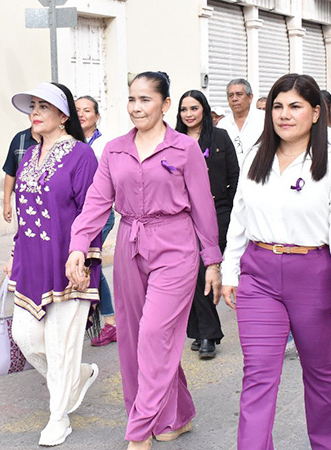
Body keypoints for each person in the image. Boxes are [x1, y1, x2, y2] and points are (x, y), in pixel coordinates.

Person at [66, 71, 222, 450]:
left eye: (146, 99)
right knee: (135, 339)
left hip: (175, 245)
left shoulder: (184, 148)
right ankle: (176, 415)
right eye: (132, 99)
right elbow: (96, 202)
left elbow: (203, 207)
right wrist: (78, 245)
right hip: (129, 244)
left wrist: (213, 261)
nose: (137, 107)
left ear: (165, 104)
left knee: (155, 334)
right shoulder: (115, 150)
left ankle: (139, 429)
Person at [220, 73, 331, 450]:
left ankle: (327, 445)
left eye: (295, 106)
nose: (284, 114)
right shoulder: (255, 158)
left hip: (313, 275)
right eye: (278, 106)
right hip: (258, 275)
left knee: (319, 371)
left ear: (316, 113)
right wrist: (229, 270)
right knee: (258, 375)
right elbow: (239, 218)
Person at [6, 82, 101, 447]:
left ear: (63, 116)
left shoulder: (81, 155)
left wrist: (84, 256)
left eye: (43, 106)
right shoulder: (28, 155)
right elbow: (24, 212)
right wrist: (14, 254)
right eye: (33, 105)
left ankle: (58, 417)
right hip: (31, 262)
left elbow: (93, 211)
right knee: (26, 337)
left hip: (69, 262)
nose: (35, 112)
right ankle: (77, 375)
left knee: (60, 345)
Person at [174, 90, 239, 360]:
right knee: (188, 274)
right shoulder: (174, 141)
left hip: (217, 213)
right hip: (184, 216)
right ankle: (199, 331)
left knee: (203, 270)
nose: (189, 114)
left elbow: (235, 176)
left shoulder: (220, 137)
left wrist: (233, 214)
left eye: (194, 108)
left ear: (204, 110)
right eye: (184, 109)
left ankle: (208, 334)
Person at [76, 95, 118, 347]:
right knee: (85, 263)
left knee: (91, 264)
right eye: (77, 110)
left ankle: (110, 322)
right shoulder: (70, 142)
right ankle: (92, 316)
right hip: (77, 215)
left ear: (97, 116)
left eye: (87, 110)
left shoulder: (103, 145)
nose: (81, 114)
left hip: (100, 214)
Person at [217, 79, 265, 166]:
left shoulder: (264, 119)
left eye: (239, 94)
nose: (234, 99)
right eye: (231, 95)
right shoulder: (223, 124)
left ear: (250, 97)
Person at [1, 121, 40, 222]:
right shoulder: (19, 139)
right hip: (24, 202)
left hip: (48, 202)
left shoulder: (54, 141)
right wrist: (6, 203)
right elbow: (10, 172)